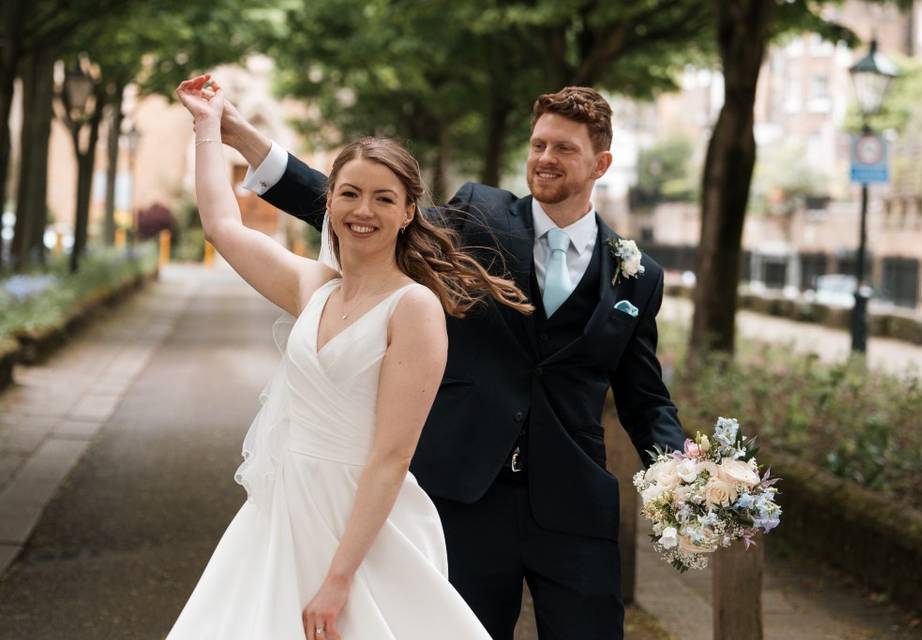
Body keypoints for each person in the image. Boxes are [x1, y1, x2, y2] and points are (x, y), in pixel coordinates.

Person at [223, 84, 686, 639]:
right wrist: (248, 142)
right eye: (538, 144)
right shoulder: (480, 215)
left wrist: (685, 475)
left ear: (601, 162)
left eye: (563, 149)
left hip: (573, 508)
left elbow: (645, 398)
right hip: (465, 498)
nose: (544, 159)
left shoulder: (637, 274)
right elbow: (364, 208)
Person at [168, 74, 530, 640]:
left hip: (358, 528)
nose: (364, 210)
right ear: (330, 201)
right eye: (350, 193)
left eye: (384, 198)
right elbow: (221, 224)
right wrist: (208, 125)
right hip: (281, 513)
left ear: (409, 212)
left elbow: (391, 457)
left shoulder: (414, 309)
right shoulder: (312, 286)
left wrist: (339, 578)